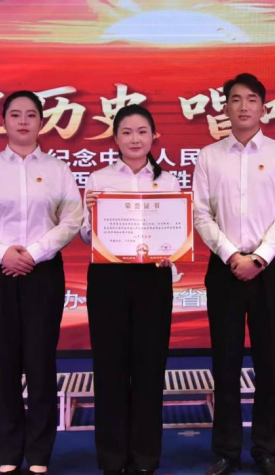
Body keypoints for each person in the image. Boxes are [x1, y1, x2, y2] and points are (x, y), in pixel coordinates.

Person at [0, 90, 84, 475]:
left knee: (41, 362)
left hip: (43, 272)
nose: (24, 121)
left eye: (31, 114)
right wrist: (3, 253)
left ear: (42, 122)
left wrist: (35, 252)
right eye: (16, 114)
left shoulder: (58, 169)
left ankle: (40, 454)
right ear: (4, 122)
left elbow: (72, 219)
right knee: (5, 362)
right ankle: (9, 453)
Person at [193, 73, 275, 475]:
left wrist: (259, 258)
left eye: (251, 99)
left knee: (269, 360)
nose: (243, 107)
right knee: (226, 360)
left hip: (268, 269)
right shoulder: (209, 156)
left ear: (263, 107)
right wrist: (230, 254)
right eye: (235, 99)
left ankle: (266, 450)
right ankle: (226, 450)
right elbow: (201, 213)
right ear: (225, 107)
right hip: (224, 268)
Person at [80, 105, 180, 475]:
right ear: (115, 138)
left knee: (150, 367)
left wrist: (172, 252)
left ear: (154, 136)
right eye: (126, 132)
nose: (134, 139)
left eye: (141, 132)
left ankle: (145, 459)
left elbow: (177, 234)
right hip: (108, 278)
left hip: (153, 279)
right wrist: (91, 213)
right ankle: (112, 458)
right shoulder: (98, 179)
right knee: (110, 368)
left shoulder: (169, 182)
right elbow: (86, 236)